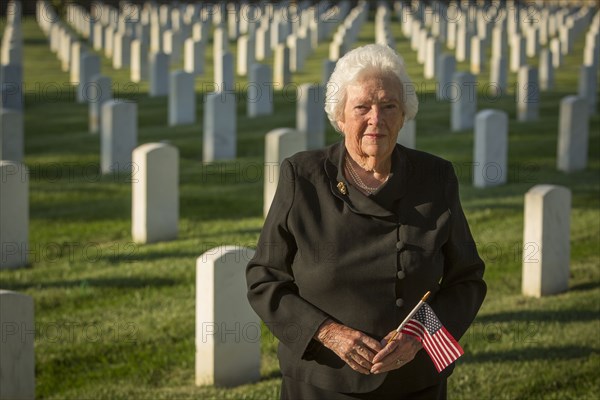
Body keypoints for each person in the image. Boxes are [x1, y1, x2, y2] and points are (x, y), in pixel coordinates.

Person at [246, 44, 486, 400]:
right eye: (362, 107)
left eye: (389, 106)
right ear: (340, 116)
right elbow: (264, 278)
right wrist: (327, 332)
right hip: (323, 382)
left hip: (413, 382)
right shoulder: (303, 177)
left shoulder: (435, 177)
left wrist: (421, 336)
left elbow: (466, 280)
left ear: (404, 115)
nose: (377, 119)